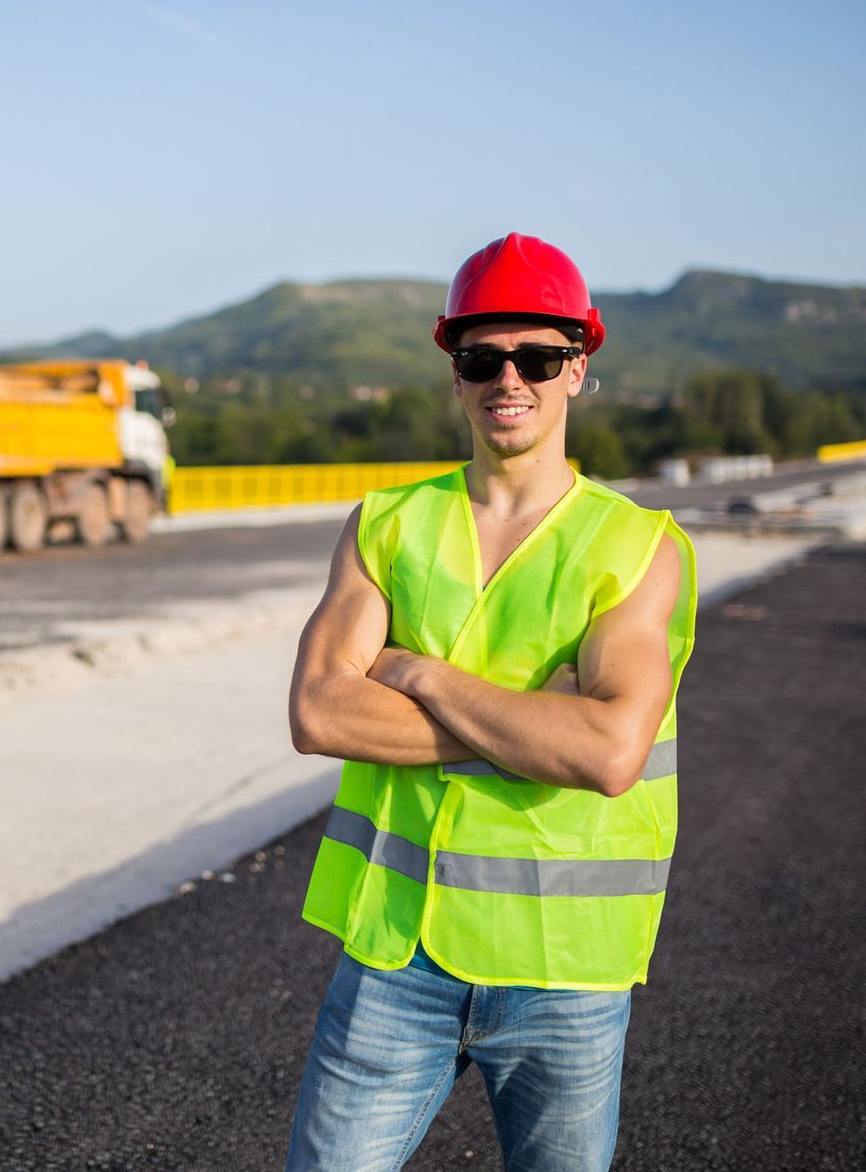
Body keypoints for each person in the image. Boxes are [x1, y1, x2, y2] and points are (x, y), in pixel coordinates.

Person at [283, 233, 697, 1172]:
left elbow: (605, 754)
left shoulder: (638, 545)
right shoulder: (386, 523)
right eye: (482, 358)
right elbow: (318, 714)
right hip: (396, 956)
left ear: (578, 369)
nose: (509, 378)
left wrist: (422, 674)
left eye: (538, 357)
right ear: (456, 373)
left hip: (567, 973)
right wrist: (531, 721)